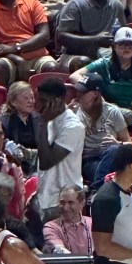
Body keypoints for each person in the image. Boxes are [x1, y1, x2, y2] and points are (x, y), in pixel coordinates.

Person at [71, 25, 132, 126]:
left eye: (131, 44)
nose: (126, 48)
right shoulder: (103, 64)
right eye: (122, 44)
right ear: (114, 46)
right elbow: (74, 76)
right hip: (110, 112)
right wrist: (93, 89)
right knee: (112, 111)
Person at [33, 78, 85, 223]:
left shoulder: (73, 126)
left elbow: (46, 161)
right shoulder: (49, 119)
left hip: (63, 201)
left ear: (59, 99)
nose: (39, 105)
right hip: (46, 196)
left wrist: (42, 124)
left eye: (43, 100)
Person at [55, 0, 125, 72]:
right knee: (83, 62)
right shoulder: (75, 5)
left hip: (107, 53)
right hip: (74, 55)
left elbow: (123, 33)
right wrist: (95, 40)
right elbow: (61, 37)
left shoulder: (116, 5)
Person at [0, 0, 54, 86]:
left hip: (36, 55)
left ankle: (47, 105)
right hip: (8, 58)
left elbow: (44, 36)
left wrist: (16, 48)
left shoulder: (32, 3)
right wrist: (16, 58)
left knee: (52, 66)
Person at [73, 71, 130, 186]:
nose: (78, 94)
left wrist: (118, 143)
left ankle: (96, 191)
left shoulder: (112, 112)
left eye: (83, 92)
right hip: (89, 161)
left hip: (113, 157)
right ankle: (99, 190)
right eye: (78, 90)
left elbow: (129, 143)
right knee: (108, 175)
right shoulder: (73, 112)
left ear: (95, 93)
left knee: (113, 150)